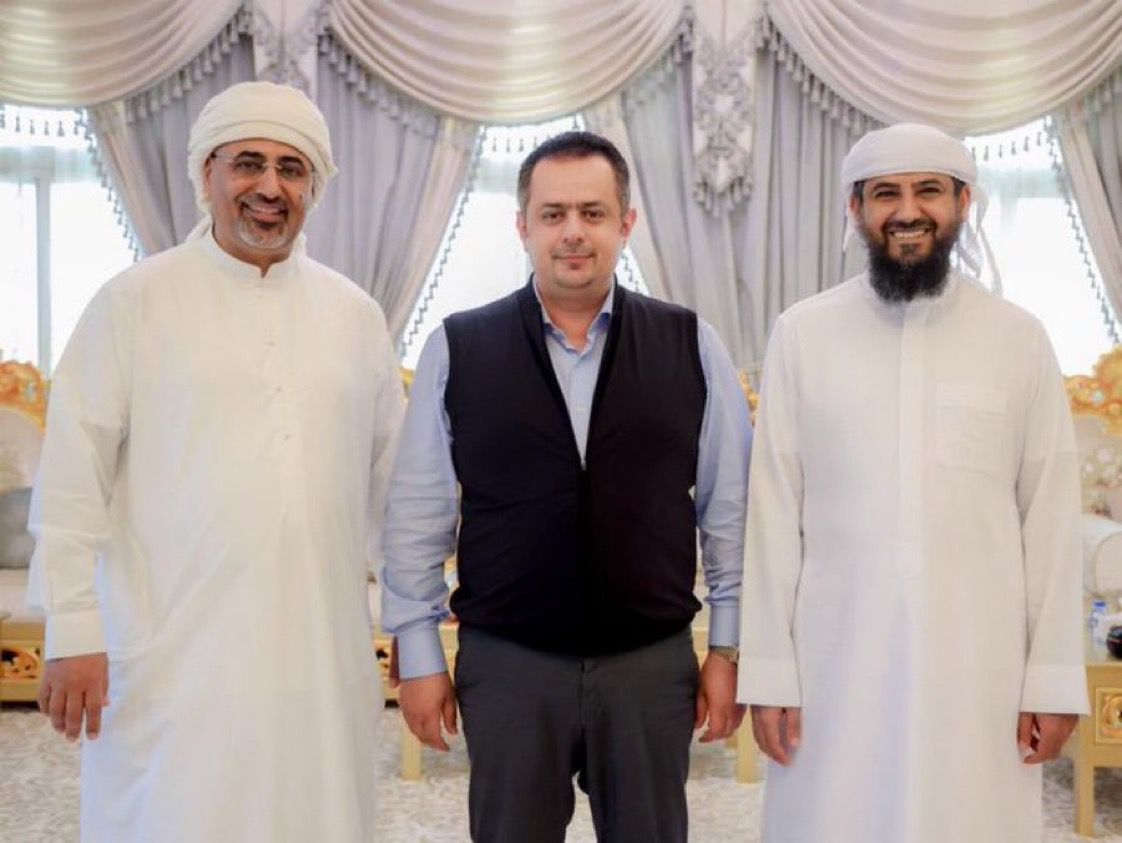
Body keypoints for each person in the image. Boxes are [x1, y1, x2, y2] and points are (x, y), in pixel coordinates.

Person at [27, 81, 404, 842]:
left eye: (292, 168)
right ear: (207, 174)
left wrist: (415, 627)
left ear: (314, 187)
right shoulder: (134, 301)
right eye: (248, 163)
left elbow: (392, 493)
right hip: (175, 657)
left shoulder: (355, 316)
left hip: (318, 654)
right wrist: (72, 628)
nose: (269, 187)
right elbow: (72, 480)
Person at [381, 130, 752, 842]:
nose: (573, 231)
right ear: (523, 226)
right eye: (553, 214)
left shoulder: (691, 344)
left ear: (626, 224)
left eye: (593, 212)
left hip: (648, 664)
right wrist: (421, 656)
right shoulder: (459, 348)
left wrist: (728, 649)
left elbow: (729, 515)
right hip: (509, 664)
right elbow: (417, 516)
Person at [739, 122, 1088, 842]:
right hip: (835, 661)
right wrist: (770, 673)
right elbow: (772, 514)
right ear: (855, 209)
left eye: (928, 190)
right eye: (885, 194)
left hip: (980, 665)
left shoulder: (1017, 338)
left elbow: (1051, 521)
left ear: (963, 203)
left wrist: (1053, 679)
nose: (907, 211)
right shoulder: (802, 334)